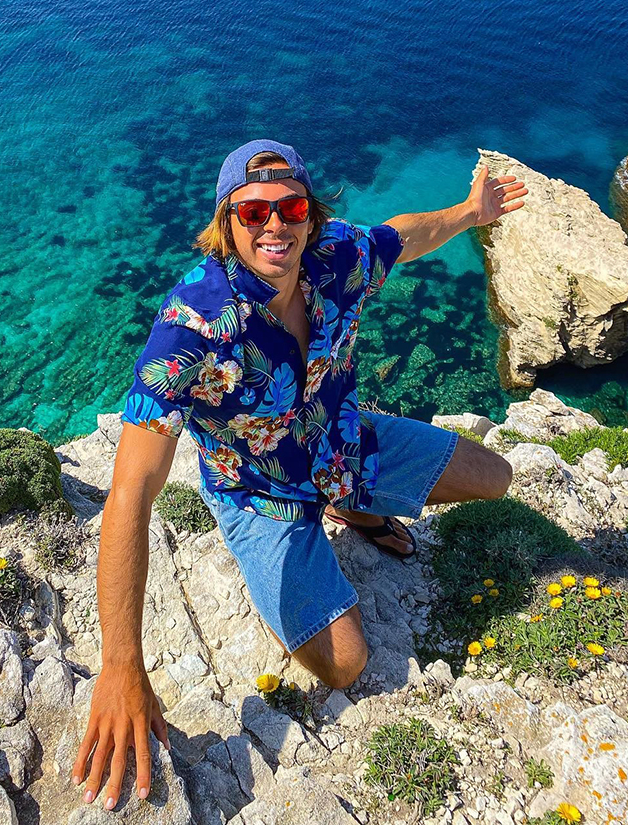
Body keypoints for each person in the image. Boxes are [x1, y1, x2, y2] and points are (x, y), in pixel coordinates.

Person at [72, 139, 527, 809]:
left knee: (496, 474)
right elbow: (131, 495)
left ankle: (352, 505)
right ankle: (274, 558)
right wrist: (119, 665)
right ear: (226, 223)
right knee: (346, 662)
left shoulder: (337, 257)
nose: (273, 225)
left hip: (339, 440)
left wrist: (469, 210)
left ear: (310, 215)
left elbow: (400, 236)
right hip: (260, 496)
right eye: (252, 212)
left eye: (289, 207)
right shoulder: (191, 327)